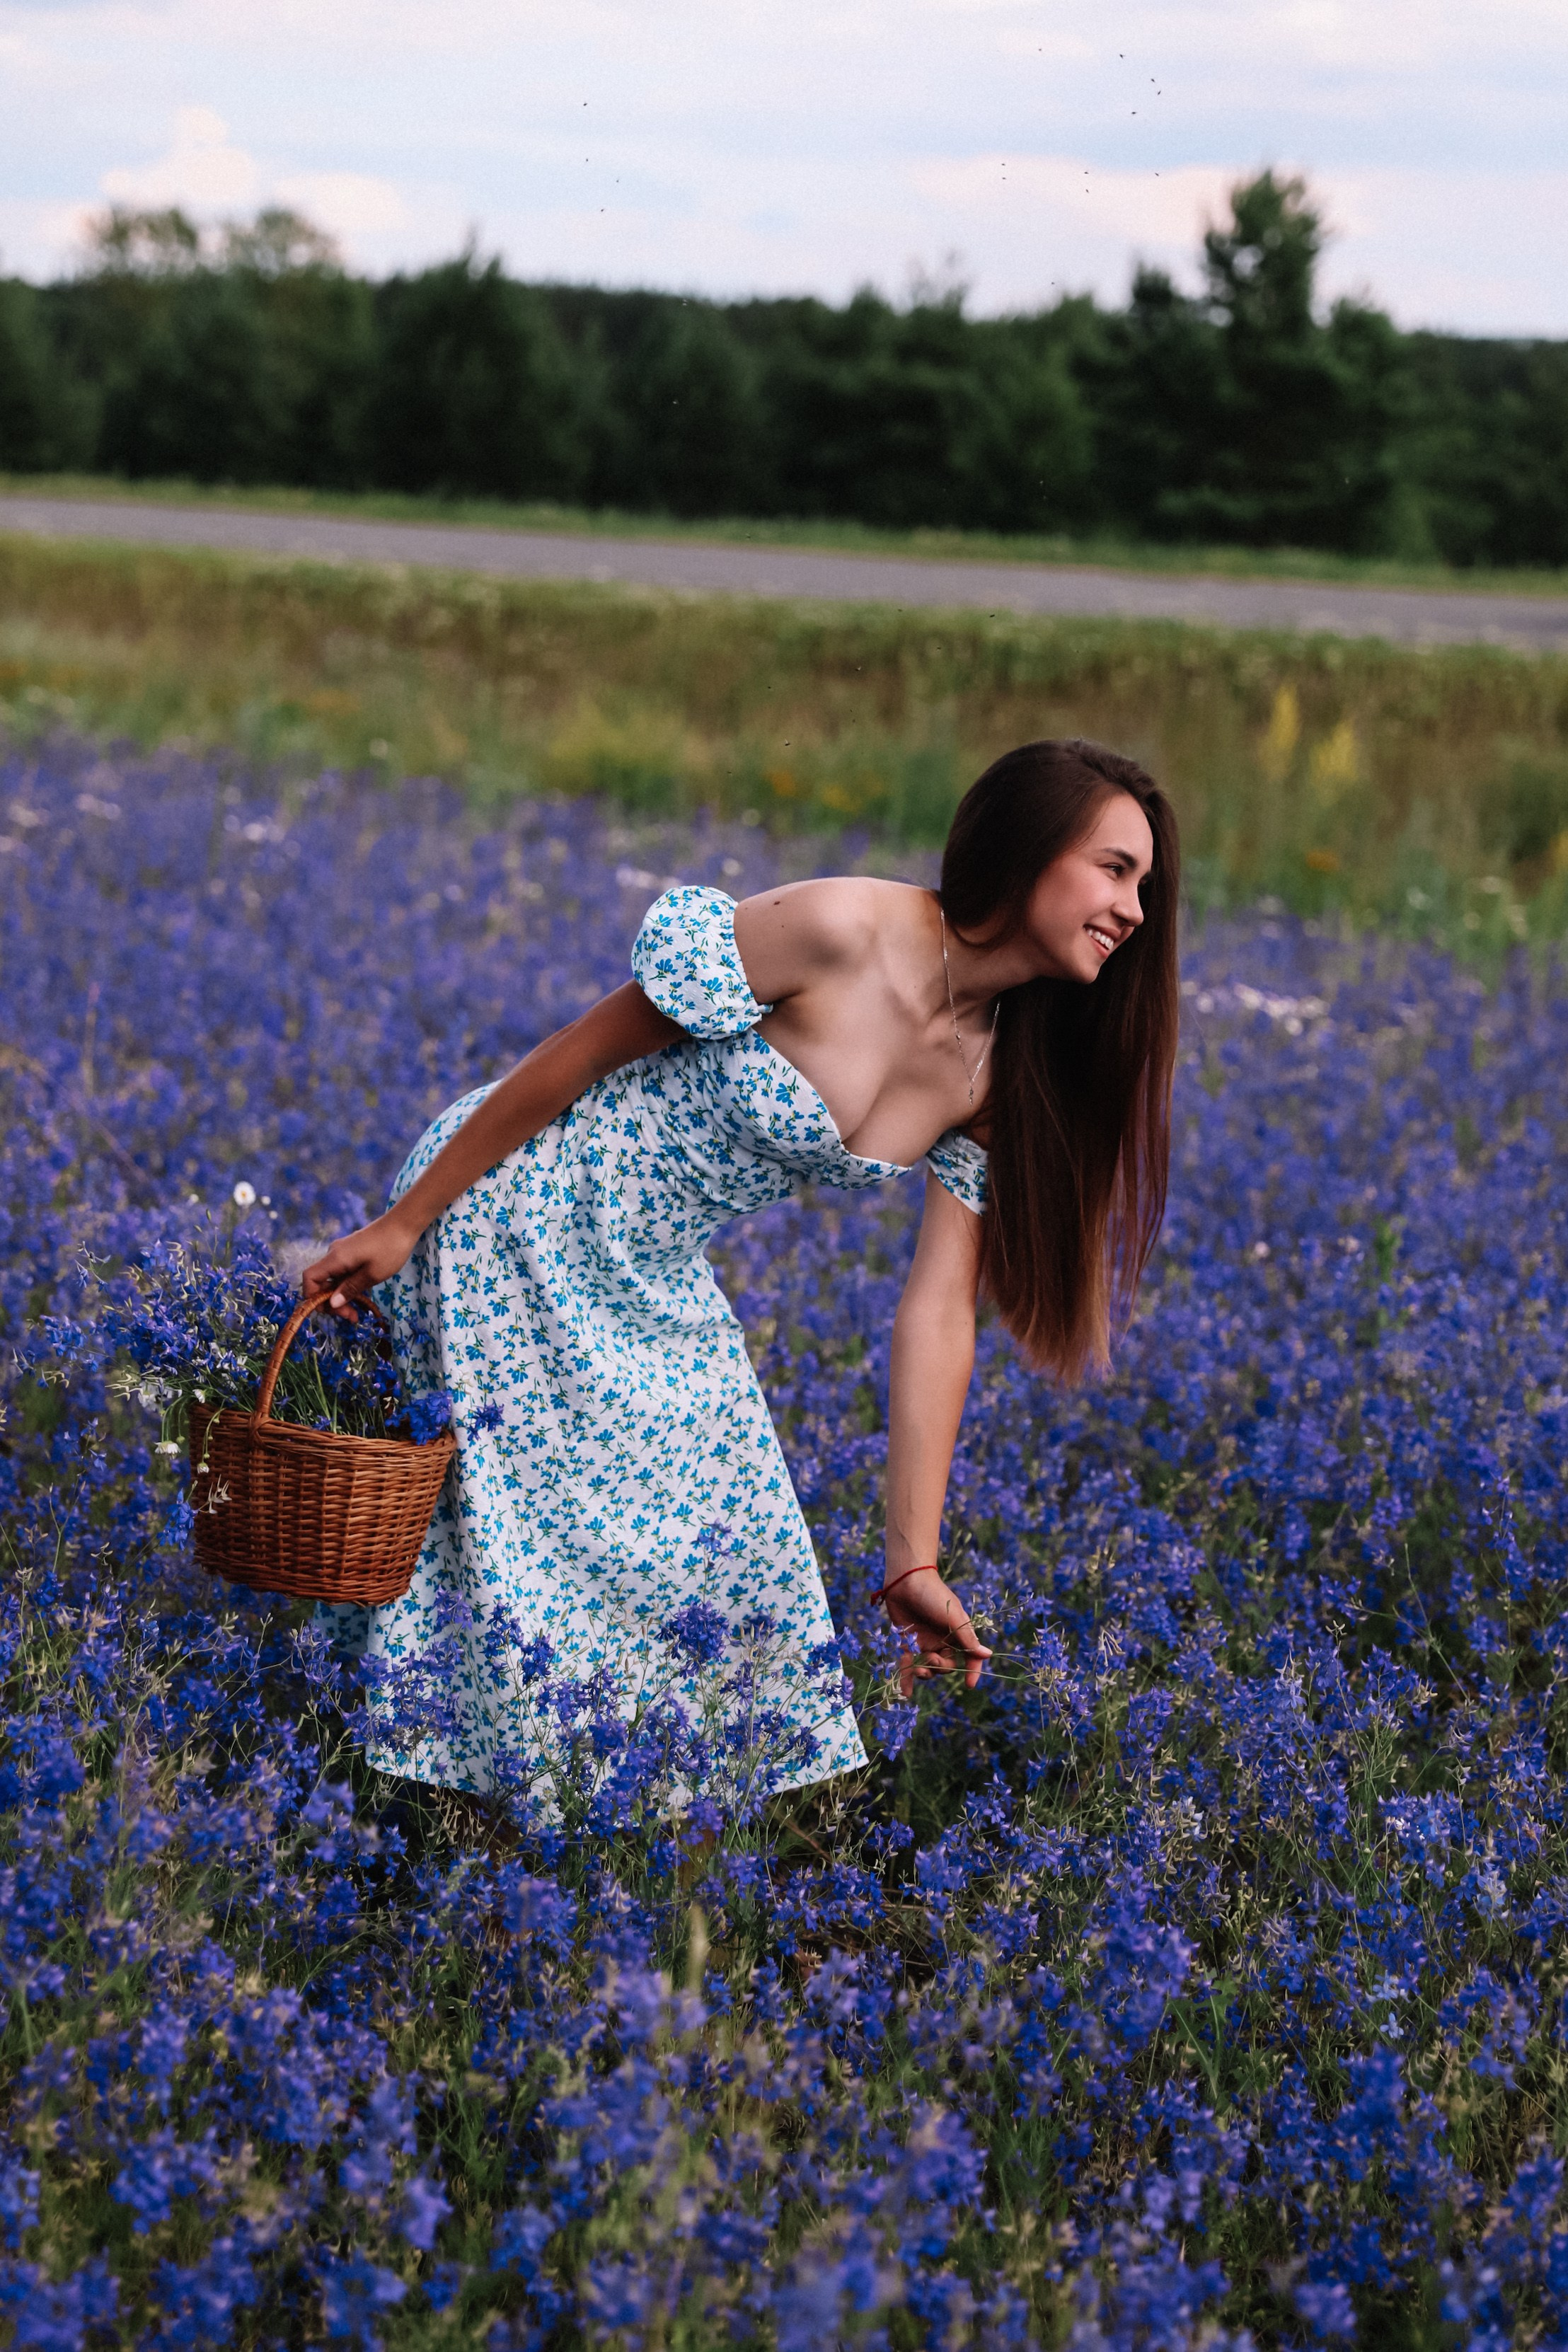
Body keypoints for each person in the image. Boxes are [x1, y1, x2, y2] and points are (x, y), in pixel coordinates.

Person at [303, 738, 1180, 1809]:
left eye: (1145, 885)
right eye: (1115, 868)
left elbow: (940, 1312)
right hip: (515, 1216)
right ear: (1031, 846)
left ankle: (553, 1828)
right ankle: (445, 1818)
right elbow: (583, 1051)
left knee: (738, 1552)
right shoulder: (843, 928)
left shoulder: (994, 1074)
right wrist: (408, 1220)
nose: (1134, 909)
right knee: (520, 1538)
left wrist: (914, 1562)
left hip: (652, 1272)